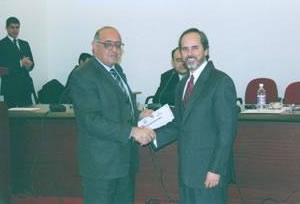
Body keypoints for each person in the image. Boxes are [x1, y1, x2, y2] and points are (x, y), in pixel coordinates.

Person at [69, 26, 155, 204]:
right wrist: (131, 131)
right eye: (108, 44)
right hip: (101, 165)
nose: (114, 49)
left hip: (124, 161)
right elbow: (90, 121)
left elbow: (119, 108)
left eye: (118, 45)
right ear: (94, 46)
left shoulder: (117, 71)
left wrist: (138, 114)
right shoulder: (83, 75)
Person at [154, 28, 237, 204]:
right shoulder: (183, 83)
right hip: (187, 172)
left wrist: (216, 169)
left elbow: (227, 131)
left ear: (206, 50)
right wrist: (152, 137)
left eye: (195, 48)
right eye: (185, 49)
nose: (189, 53)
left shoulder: (220, 81)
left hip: (209, 173)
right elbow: (180, 124)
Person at [0, 17, 35, 107]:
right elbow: (2, 70)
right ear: (6, 28)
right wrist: (20, 63)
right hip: (10, 89)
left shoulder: (25, 44)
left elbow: (31, 63)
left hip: (25, 88)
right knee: (13, 119)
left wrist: (29, 66)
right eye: (12, 27)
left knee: (28, 118)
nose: (15, 30)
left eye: (17, 27)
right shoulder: (2, 45)